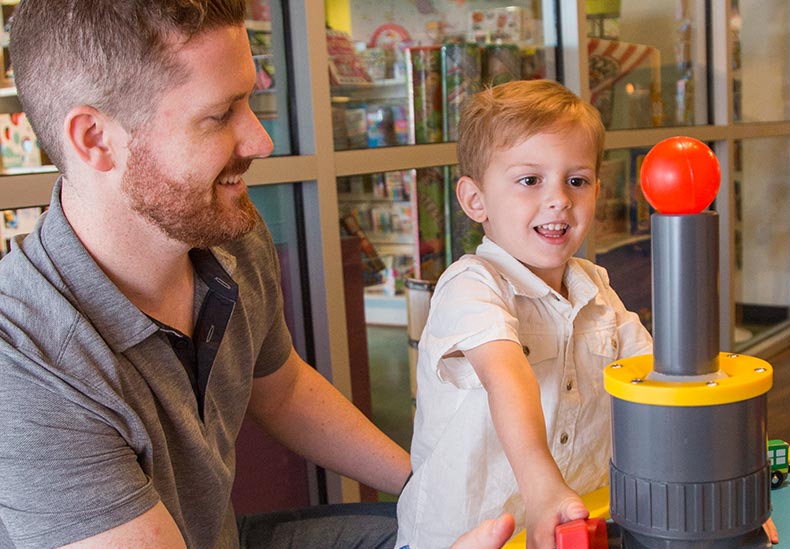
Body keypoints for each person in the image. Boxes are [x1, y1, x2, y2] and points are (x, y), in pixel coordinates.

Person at [0, 1, 418, 547]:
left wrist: (426, 487)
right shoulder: (24, 364)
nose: (261, 141)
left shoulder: (226, 236)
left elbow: (282, 388)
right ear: (95, 139)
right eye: (221, 115)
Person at [395, 79, 654, 549]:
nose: (559, 199)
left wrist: (712, 482)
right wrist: (542, 486)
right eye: (530, 180)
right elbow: (506, 376)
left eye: (577, 180)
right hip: (465, 537)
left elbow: (655, 382)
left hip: (568, 529)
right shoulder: (470, 285)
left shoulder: (596, 290)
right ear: (475, 201)